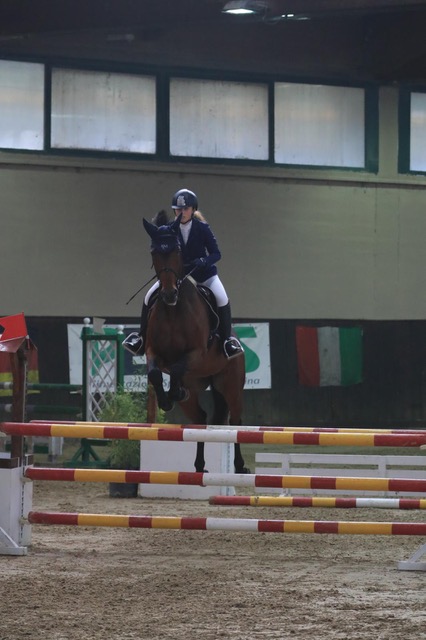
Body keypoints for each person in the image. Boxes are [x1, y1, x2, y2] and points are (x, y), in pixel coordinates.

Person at [123, 188, 243, 360]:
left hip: (204, 274)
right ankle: (141, 338)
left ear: (193, 209)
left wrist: (203, 261)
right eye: (178, 209)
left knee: (222, 298)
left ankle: (227, 341)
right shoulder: (170, 229)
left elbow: (217, 254)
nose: (182, 212)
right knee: (148, 296)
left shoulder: (202, 228)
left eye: (186, 209)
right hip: (177, 275)